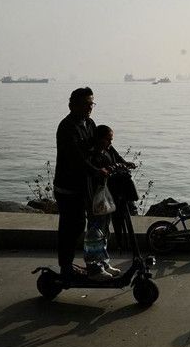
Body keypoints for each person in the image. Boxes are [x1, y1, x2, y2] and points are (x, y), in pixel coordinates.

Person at [53, 87, 108, 280]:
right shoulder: (67, 127)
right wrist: (96, 171)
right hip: (67, 187)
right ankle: (66, 266)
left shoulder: (89, 124)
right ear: (72, 105)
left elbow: (102, 145)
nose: (90, 107)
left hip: (84, 185)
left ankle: (94, 263)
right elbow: (76, 158)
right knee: (71, 227)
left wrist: (117, 161)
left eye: (91, 104)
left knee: (87, 225)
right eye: (86, 104)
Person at [85, 125, 135, 279]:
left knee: (105, 230)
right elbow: (94, 173)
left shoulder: (108, 150)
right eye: (108, 139)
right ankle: (94, 267)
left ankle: (103, 262)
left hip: (107, 197)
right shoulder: (92, 155)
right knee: (95, 232)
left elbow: (117, 158)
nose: (110, 143)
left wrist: (125, 164)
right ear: (99, 139)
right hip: (96, 199)